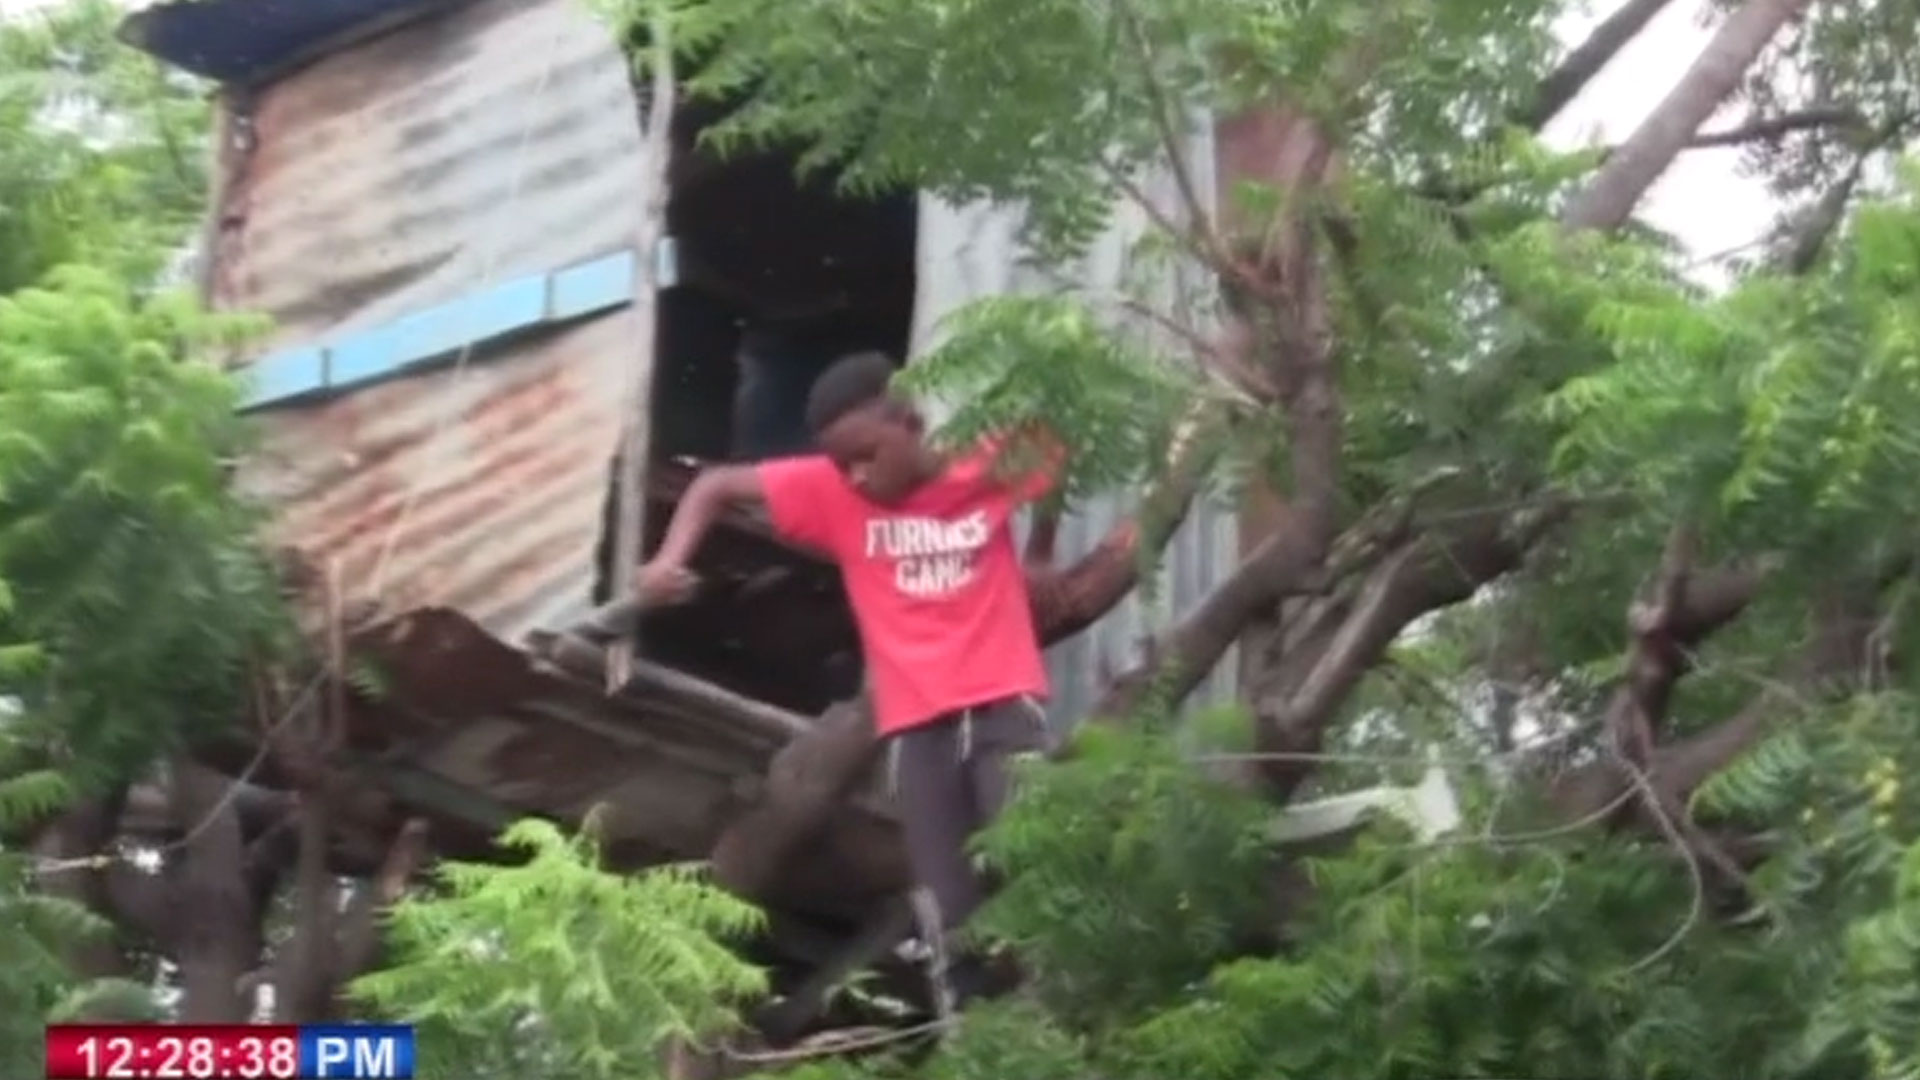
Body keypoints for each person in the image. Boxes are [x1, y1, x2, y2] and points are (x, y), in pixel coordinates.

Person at [635, 349, 1063, 1017]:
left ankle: (1070, 1008)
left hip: (1002, 705)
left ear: (911, 424)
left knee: (1029, 859)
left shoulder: (984, 464)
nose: (857, 477)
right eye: (843, 466)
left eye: (867, 455)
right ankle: (994, 1037)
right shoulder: (832, 495)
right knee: (954, 912)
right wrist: (667, 560)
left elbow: (1054, 442)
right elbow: (715, 485)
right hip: (917, 730)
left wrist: (1039, 551)